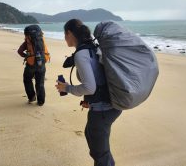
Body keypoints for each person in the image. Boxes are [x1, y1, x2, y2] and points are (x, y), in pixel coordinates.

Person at [55, 19, 122, 166]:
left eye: (64, 34)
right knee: (92, 137)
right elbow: (100, 77)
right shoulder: (93, 48)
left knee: (100, 153)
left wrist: (66, 88)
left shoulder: (81, 54)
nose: (64, 38)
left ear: (69, 33)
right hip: (110, 104)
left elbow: (89, 87)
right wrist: (90, 100)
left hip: (103, 109)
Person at [18, 25, 50, 106]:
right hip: (42, 64)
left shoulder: (27, 41)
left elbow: (19, 51)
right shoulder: (42, 39)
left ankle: (32, 97)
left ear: (27, 35)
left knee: (27, 80)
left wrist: (27, 56)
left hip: (31, 65)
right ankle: (41, 101)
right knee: (40, 83)